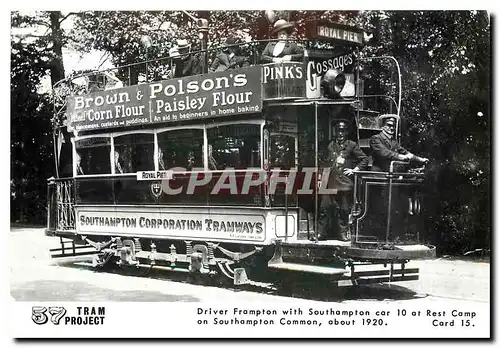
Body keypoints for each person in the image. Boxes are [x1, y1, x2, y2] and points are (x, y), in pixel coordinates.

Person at [316, 120, 369, 241]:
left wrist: (354, 169)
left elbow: (365, 159)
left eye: (342, 131)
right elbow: (323, 163)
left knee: (344, 209)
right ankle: (321, 233)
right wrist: (320, 178)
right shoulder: (330, 145)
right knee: (324, 207)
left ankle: (342, 234)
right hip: (329, 181)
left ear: (346, 132)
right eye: (338, 130)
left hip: (344, 182)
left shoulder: (352, 145)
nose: (340, 133)